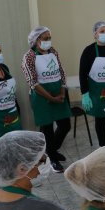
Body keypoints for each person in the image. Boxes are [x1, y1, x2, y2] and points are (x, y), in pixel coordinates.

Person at [21, 26, 71, 173]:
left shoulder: (53, 51)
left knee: (65, 125)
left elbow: (61, 72)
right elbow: (33, 82)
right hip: (42, 97)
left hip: (58, 92)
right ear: (36, 40)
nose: (48, 41)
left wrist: (62, 91)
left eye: (49, 37)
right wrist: (51, 98)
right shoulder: (29, 56)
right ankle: (53, 160)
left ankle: (51, 150)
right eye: (45, 38)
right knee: (47, 129)